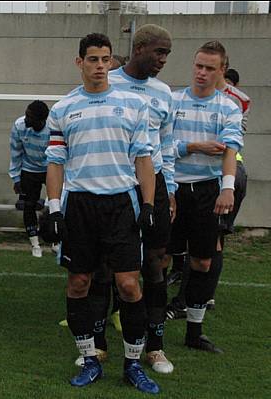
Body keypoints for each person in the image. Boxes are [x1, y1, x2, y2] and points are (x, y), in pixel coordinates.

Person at [43, 33, 159, 394]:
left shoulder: (133, 105)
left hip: (121, 204)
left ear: (111, 61)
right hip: (80, 205)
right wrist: (54, 207)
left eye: (105, 59)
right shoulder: (63, 109)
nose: (99, 66)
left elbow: (144, 158)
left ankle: (133, 365)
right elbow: (55, 162)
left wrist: (149, 204)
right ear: (80, 62)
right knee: (79, 283)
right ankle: (90, 359)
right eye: (92, 59)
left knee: (128, 284)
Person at [106, 24, 175, 374]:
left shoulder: (164, 93)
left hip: (155, 184)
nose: (163, 59)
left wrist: (171, 189)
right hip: (116, 184)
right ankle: (97, 345)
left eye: (167, 54)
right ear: (139, 48)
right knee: (108, 264)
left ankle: (156, 346)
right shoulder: (107, 83)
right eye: (158, 52)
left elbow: (167, 144)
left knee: (155, 262)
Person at [166, 41, 243, 353]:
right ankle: (152, 325)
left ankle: (194, 331)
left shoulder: (228, 107)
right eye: (198, 65)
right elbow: (159, 148)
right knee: (160, 258)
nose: (202, 72)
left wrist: (228, 187)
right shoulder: (172, 101)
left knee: (202, 261)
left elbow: (230, 149)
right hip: (172, 188)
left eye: (210, 68)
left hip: (208, 190)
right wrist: (193, 146)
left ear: (221, 71)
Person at [8, 100, 50, 257]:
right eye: (26, 114)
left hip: (49, 168)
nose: (25, 118)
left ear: (41, 120)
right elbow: (15, 152)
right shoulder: (19, 125)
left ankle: (55, 241)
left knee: (54, 203)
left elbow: (60, 154)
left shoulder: (52, 128)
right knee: (28, 205)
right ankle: (35, 244)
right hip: (28, 169)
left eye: (30, 116)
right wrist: (16, 178)